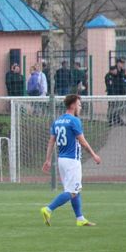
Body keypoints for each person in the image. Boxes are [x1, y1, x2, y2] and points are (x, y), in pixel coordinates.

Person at [40, 94, 101, 227]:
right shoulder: (74, 121)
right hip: (72, 161)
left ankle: (80, 218)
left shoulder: (57, 121)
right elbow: (83, 142)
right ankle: (48, 209)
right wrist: (94, 155)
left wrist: (48, 159)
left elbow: (51, 141)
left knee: (75, 189)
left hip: (62, 160)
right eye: (79, 105)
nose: (80, 107)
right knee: (72, 191)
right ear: (72, 105)